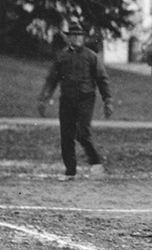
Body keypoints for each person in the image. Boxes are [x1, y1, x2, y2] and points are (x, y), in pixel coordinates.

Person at [38, 21, 114, 181]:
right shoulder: (62, 57)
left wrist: (108, 100)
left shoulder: (91, 56)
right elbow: (52, 79)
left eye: (79, 36)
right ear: (68, 38)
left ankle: (96, 162)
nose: (76, 38)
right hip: (66, 99)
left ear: (83, 38)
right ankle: (70, 171)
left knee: (82, 132)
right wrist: (44, 99)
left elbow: (102, 79)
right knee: (66, 136)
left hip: (85, 99)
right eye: (73, 36)